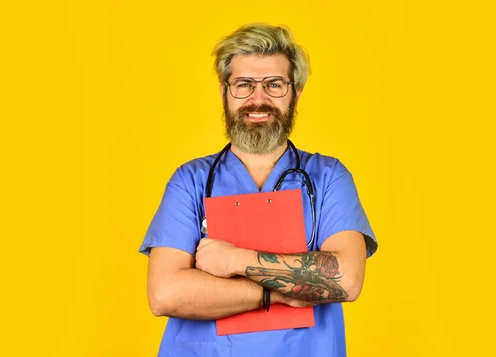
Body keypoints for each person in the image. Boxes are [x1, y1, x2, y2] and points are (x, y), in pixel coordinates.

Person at [139, 23, 378, 357]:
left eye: (274, 85)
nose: (258, 99)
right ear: (225, 91)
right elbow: (165, 294)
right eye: (244, 85)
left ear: (296, 92)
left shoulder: (328, 178)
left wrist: (234, 260)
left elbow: (346, 280)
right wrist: (281, 293)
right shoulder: (189, 181)